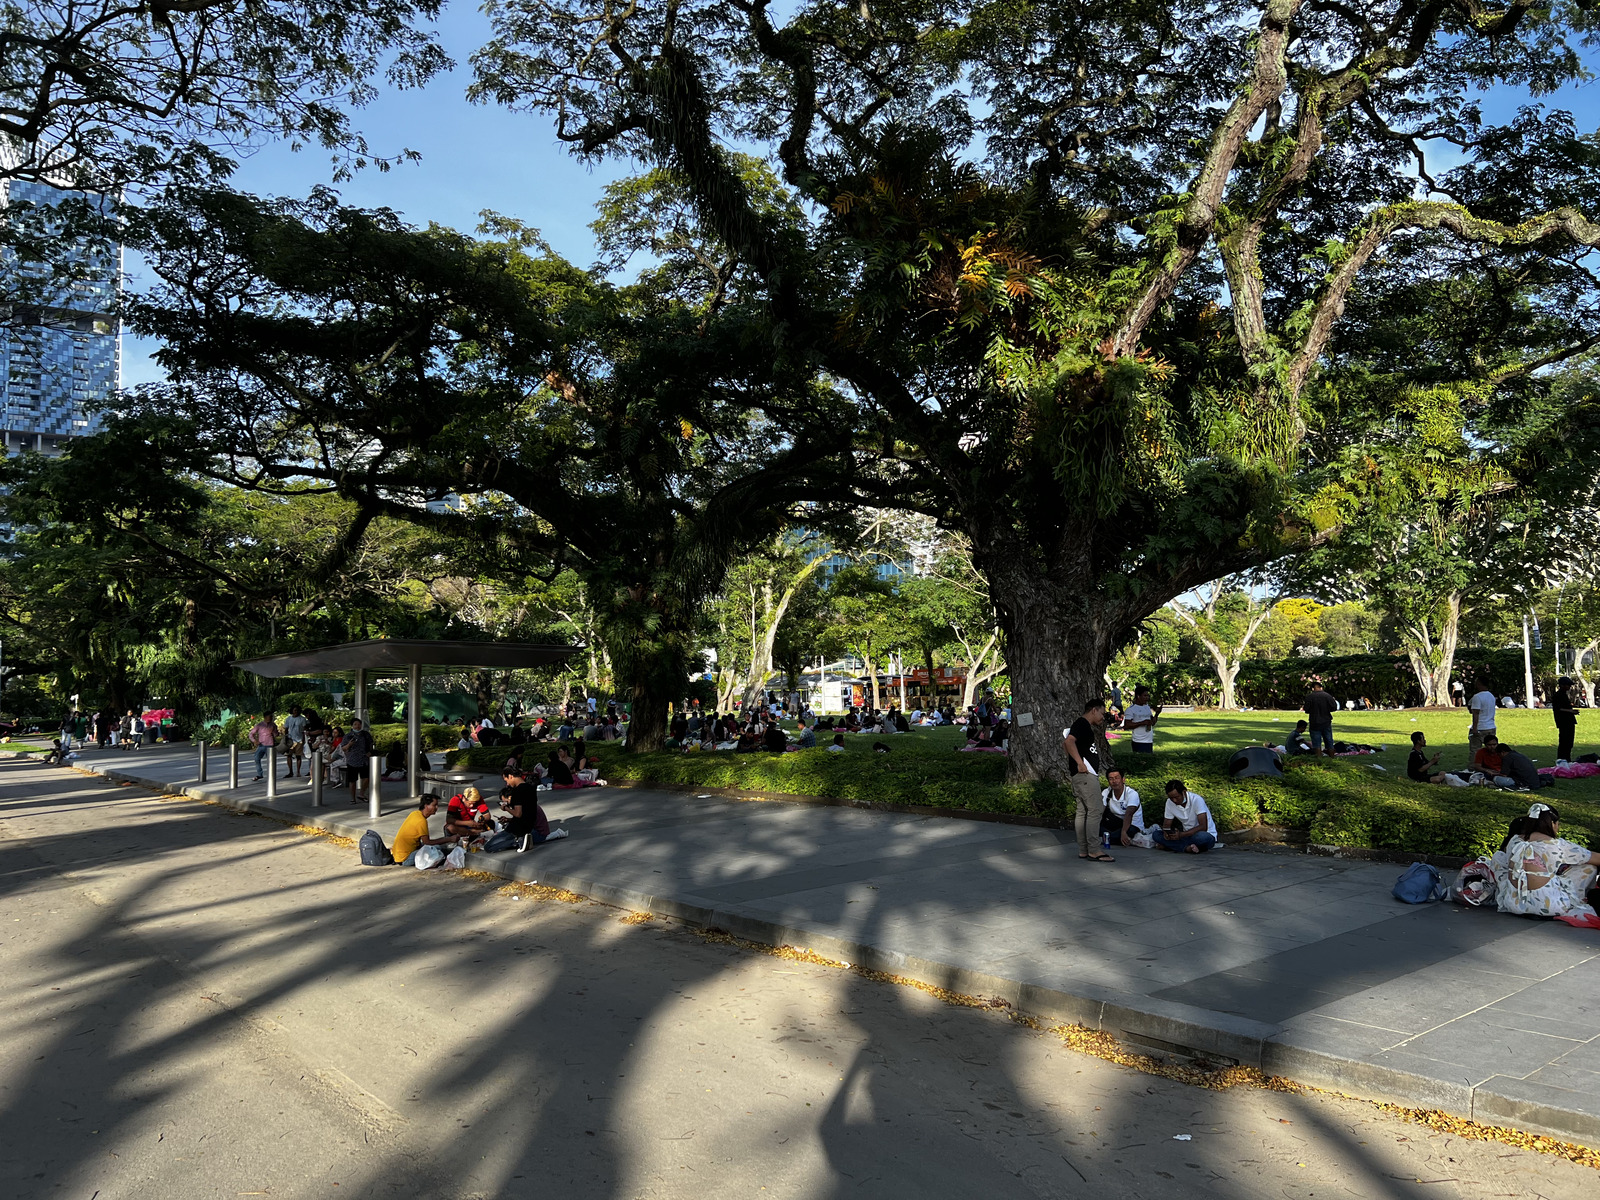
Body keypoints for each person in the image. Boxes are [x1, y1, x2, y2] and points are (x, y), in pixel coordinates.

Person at [1495, 803, 1600, 924]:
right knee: (1589, 867)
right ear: (1552, 824)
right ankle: (1577, 901)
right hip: (1549, 906)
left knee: (1499, 857)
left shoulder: (1514, 840)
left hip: (1513, 903)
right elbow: (1596, 858)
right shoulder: (1558, 845)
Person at [1064, 697, 1111, 862]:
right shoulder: (1082, 724)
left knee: (1083, 811)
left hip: (1082, 775)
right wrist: (1080, 763)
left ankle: (1084, 849)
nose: (1102, 717)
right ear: (1094, 710)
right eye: (1102, 713)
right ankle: (1094, 849)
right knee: (1095, 810)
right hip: (1085, 775)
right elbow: (1068, 742)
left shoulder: (1082, 725)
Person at [487, 768, 568, 852]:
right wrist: (509, 819)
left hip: (518, 830)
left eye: (506, 780)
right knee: (498, 840)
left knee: (489, 847)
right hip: (528, 827)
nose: (507, 784)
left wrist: (506, 808)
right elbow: (527, 813)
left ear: (510, 776)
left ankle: (518, 841)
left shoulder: (517, 791)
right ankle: (520, 841)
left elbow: (518, 814)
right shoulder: (531, 788)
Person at [391, 795, 459, 866]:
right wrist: (449, 839)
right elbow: (427, 842)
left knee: (436, 847)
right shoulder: (421, 821)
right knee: (438, 849)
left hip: (398, 856)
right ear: (426, 806)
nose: (437, 808)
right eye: (434, 805)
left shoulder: (414, 814)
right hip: (406, 859)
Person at [1153, 779, 1216, 853]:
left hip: (1202, 834)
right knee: (1156, 835)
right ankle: (1188, 848)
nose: (1174, 800)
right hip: (1186, 836)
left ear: (1184, 792)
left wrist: (1181, 835)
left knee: (1202, 837)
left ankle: (1172, 846)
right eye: (1171, 798)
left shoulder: (1197, 800)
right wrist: (1166, 833)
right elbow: (1167, 824)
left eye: (1177, 797)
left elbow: (1203, 827)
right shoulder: (1169, 803)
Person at [1100, 768, 1147, 848]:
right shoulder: (1106, 792)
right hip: (1115, 822)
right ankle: (1111, 838)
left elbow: (1129, 814)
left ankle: (1108, 838)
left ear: (1123, 779)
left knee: (1129, 831)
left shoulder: (1132, 794)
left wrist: (1124, 832)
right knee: (1095, 827)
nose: (1114, 781)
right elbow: (1100, 811)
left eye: (1117, 778)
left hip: (1132, 824)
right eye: (1111, 779)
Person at [342, 718, 375, 804]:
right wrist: (349, 744)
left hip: (364, 759)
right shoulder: (348, 736)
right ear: (352, 726)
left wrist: (370, 752)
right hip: (352, 760)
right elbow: (343, 748)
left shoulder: (366, 734)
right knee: (352, 781)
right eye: (355, 724)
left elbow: (372, 744)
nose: (357, 726)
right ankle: (352, 798)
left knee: (367, 778)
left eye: (359, 724)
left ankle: (362, 794)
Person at [1302, 680, 1338, 758]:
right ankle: (1332, 757)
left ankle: (1319, 758)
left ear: (1312, 688)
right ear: (1321, 687)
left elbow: (1306, 710)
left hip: (1314, 722)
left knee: (1316, 742)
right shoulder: (1327, 696)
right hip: (1326, 721)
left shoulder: (1310, 697)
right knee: (1329, 740)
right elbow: (1334, 708)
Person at [1122, 686, 1160, 754]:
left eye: (1148, 696)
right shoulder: (1131, 709)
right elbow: (1127, 725)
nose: (1147, 698)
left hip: (1149, 740)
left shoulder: (1147, 707)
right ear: (1138, 696)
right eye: (1145, 696)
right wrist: (1142, 723)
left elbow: (1152, 723)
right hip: (1139, 741)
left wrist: (1157, 714)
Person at [1552, 677, 1579, 762]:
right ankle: (1562, 759)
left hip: (1569, 720)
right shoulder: (1557, 695)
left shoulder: (1564, 695)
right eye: (1568, 685)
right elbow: (1558, 708)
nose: (1569, 687)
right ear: (1562, 685)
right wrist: (1570, 711)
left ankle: (1567, 758)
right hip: (1563, 721)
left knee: (1569, 742)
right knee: (1564, 741)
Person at [1468, 679, 1497, 752]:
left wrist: (1474, 728)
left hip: (1480, 727)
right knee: (1491, 750)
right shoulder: (1491, 696)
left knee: (1475, 750)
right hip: (1491, 726)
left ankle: (1476, 763)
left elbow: (1476, 713)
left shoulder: (1477, 697)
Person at [249, 712, 279, 780]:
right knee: (257, 758)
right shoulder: (259, 725)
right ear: (265, 717)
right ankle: (259, 774)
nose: (270, 719)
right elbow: (251, 734)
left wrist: (275, 733)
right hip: (261, 745)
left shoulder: (273, 725)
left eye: (271, 717)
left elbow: (276, 734)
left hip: (270, 745)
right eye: (269, 717)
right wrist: (254, 741)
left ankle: (271, 774)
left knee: (271, 761)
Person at [282, 705, 307, 778]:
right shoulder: (288, 718)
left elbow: (304, 730)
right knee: (288, 755)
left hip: (299, 739)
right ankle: (290, 771)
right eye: (294, 710)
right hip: (290, 739)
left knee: (298, 756)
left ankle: (298, 771)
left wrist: (304, 739)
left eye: (296, 710)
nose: (295, 712)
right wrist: (286, 737)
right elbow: (286, 728)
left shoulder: (302, 719)